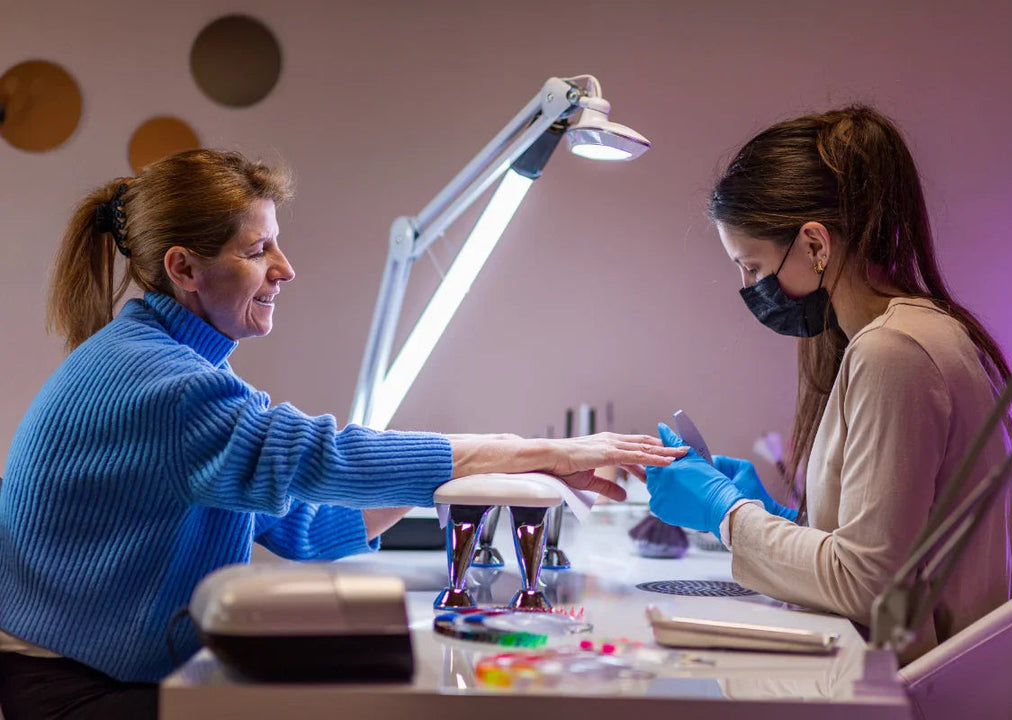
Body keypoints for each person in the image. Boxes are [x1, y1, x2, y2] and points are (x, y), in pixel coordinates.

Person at [0, 149, 685, 719]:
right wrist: (536, 451)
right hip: (73, 689)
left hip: (90, 671)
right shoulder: (168, 385)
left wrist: (489, 471)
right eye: (258, 249)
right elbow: (323, 456)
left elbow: (309, 529)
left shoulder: (171, 367)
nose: (285, 268)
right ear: (184, 269)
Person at [642, 105, 1012, 663]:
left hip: (920, 686)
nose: (747, 287)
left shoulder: (893, 351)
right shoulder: (916, 331)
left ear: (816, 246)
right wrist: (775, 518)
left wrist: (727, 515)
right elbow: (884, 550)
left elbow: (868, 585)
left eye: (752, 267)